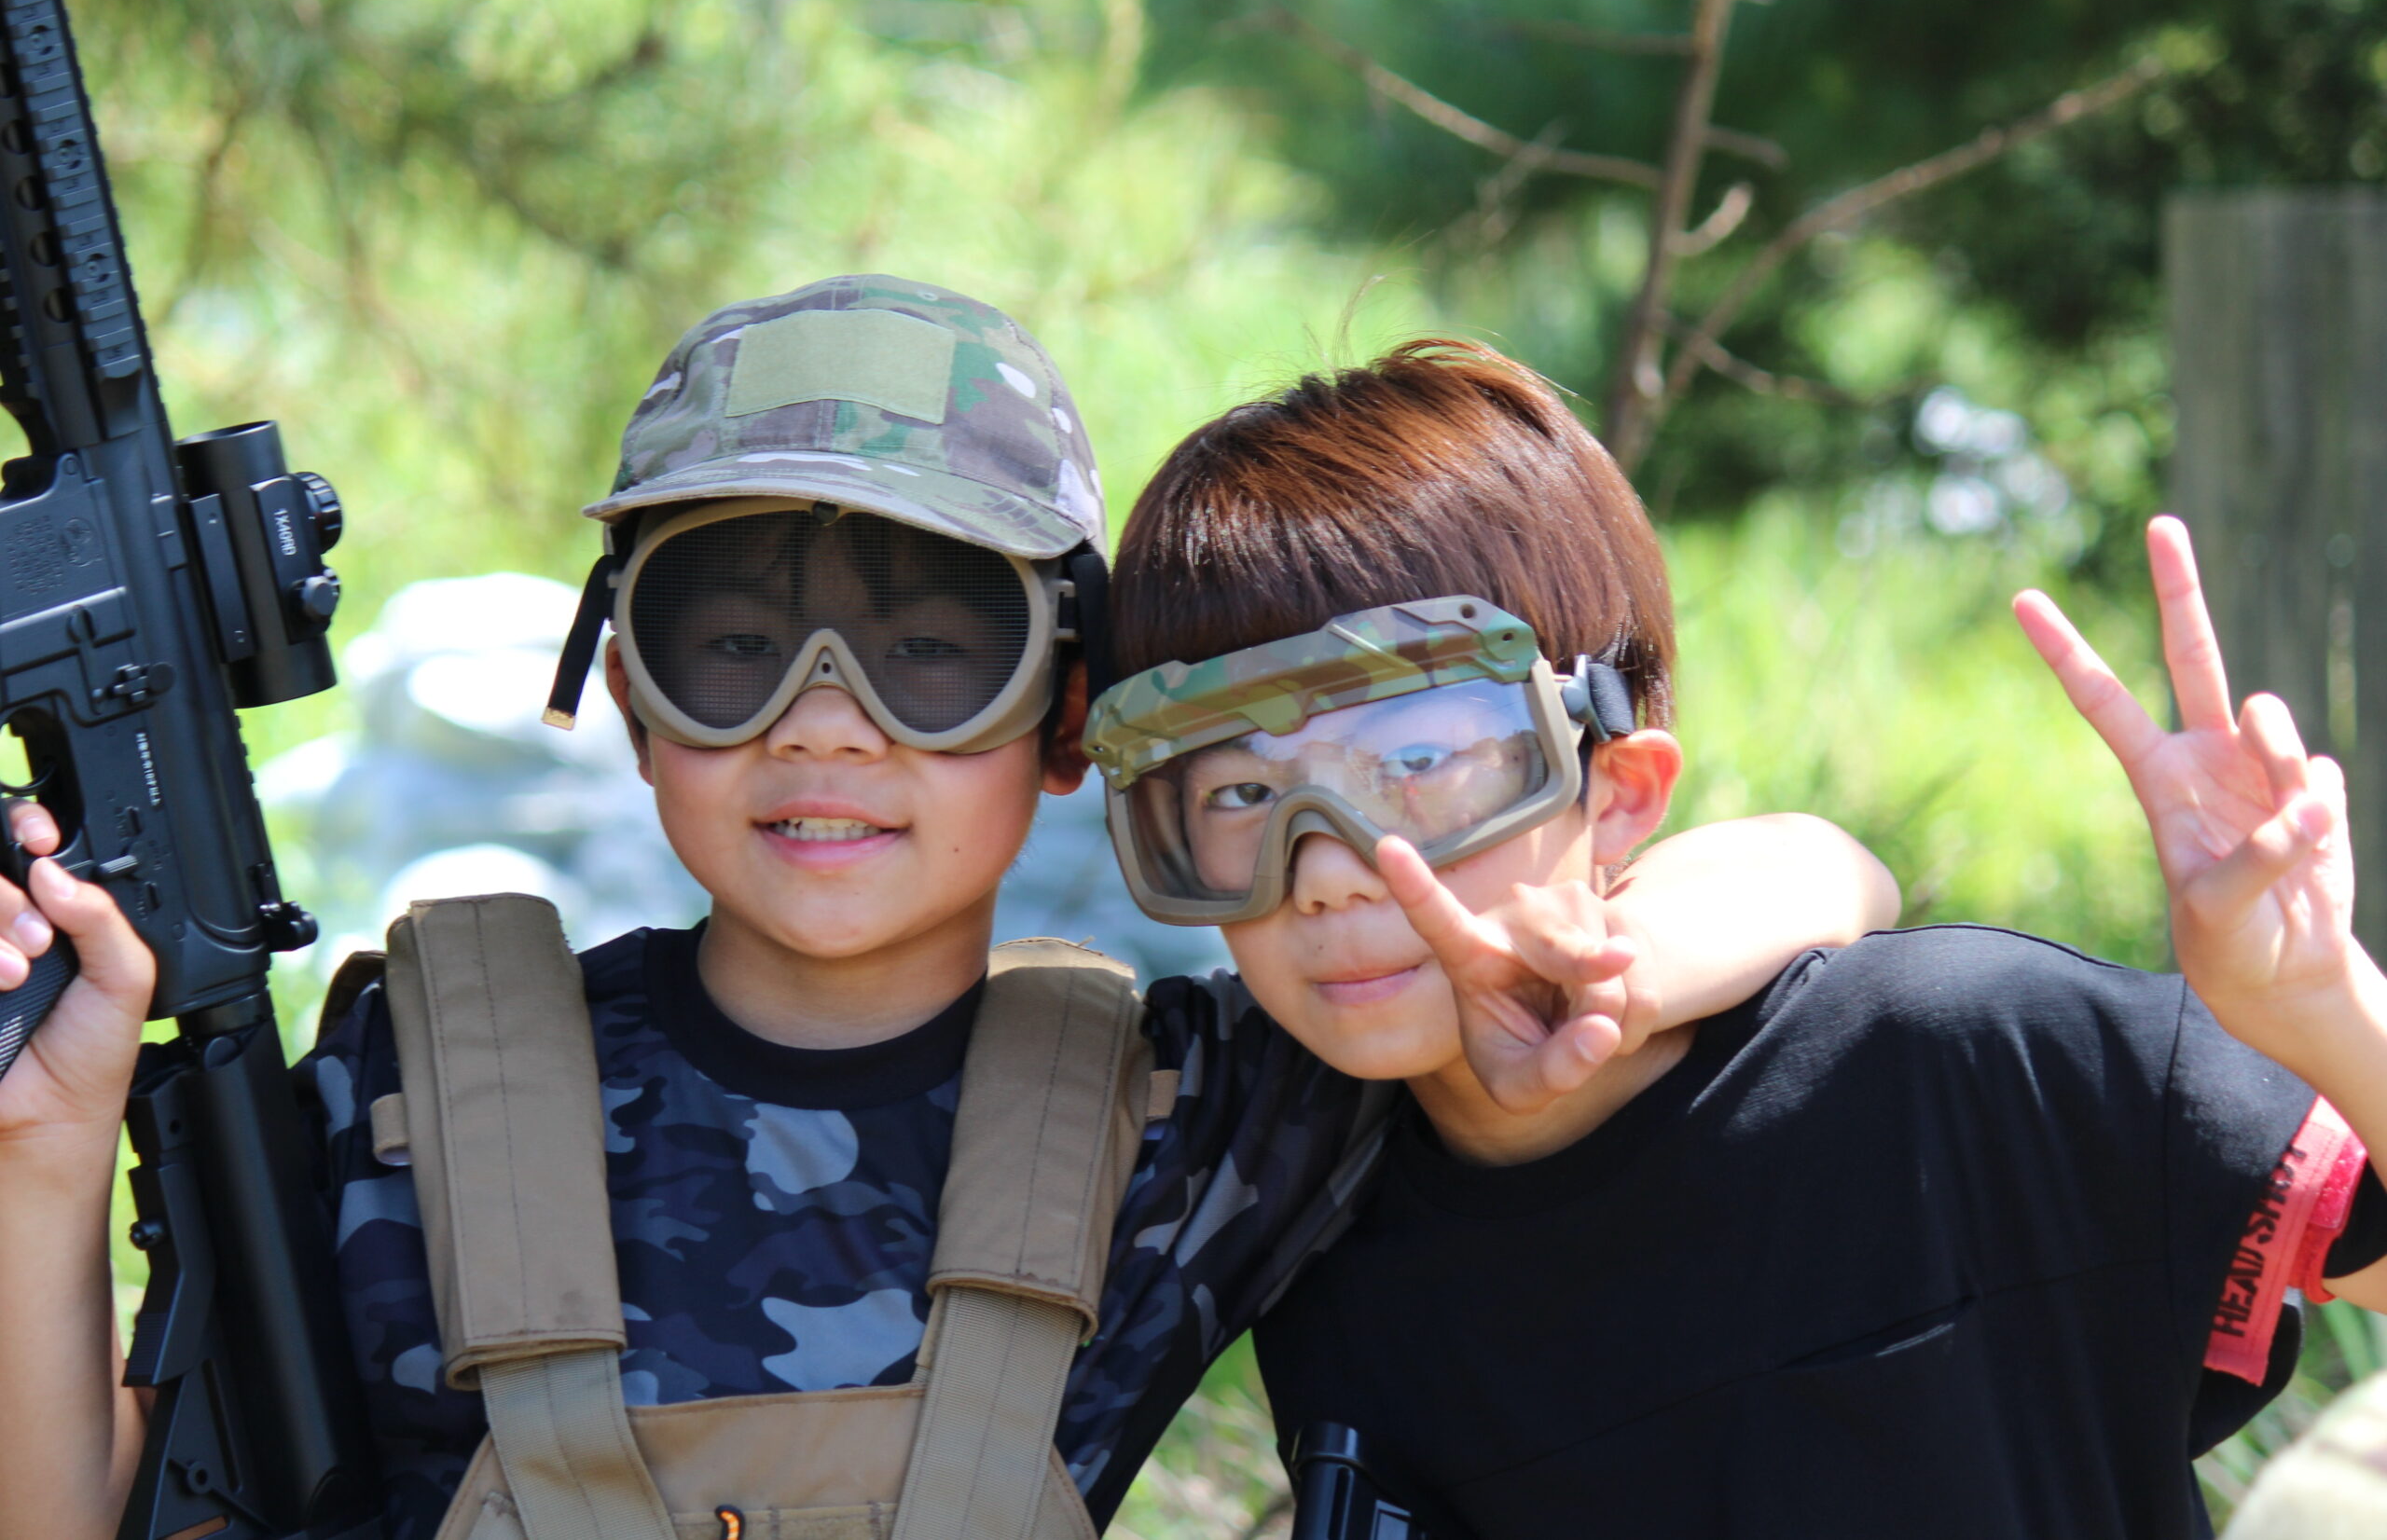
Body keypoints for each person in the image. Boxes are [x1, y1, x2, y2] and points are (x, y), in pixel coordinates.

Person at [0, 280, 1894, 1540]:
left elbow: (1829, 871)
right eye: (731, 642)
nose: (824, 720)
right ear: (632, 698)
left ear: (1066, 724)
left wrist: (1606, 957)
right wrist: (44, 1144)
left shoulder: (1201, 1116)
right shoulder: (399, 1089)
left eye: (931, 650)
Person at [1088, 337, 2387, 1539]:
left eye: (1417, 760)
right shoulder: (1297, 1218)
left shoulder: (1957, 1066)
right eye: (1240, 795)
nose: (1323, 874)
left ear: (1618, 791)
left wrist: (2320, 1007)